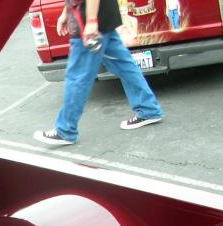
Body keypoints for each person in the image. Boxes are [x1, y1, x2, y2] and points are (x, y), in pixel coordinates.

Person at [34, 0, 164, 146]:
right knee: (123, 64)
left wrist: (91, 21)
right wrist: (66, 12)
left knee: (78, 76)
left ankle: (65, 130)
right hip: (102, 16)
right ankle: (148, 108)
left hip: (88, 19)